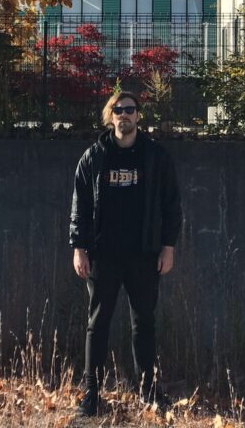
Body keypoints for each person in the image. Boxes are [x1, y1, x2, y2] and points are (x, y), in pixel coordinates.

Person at [69, 90, 182, 416]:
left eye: (130, 109)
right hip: (103, 255)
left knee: (144, 323)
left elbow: (172, 205)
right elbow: (80, 205)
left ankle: (148, 391)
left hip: (144, 255)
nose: (124, 115)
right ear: (110, 115)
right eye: (118, 110)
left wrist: (168, 247)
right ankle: (92, 395)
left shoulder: (155, 156)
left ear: (138, 115)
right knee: (98, 323)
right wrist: (79, 247)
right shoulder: (94, 157)